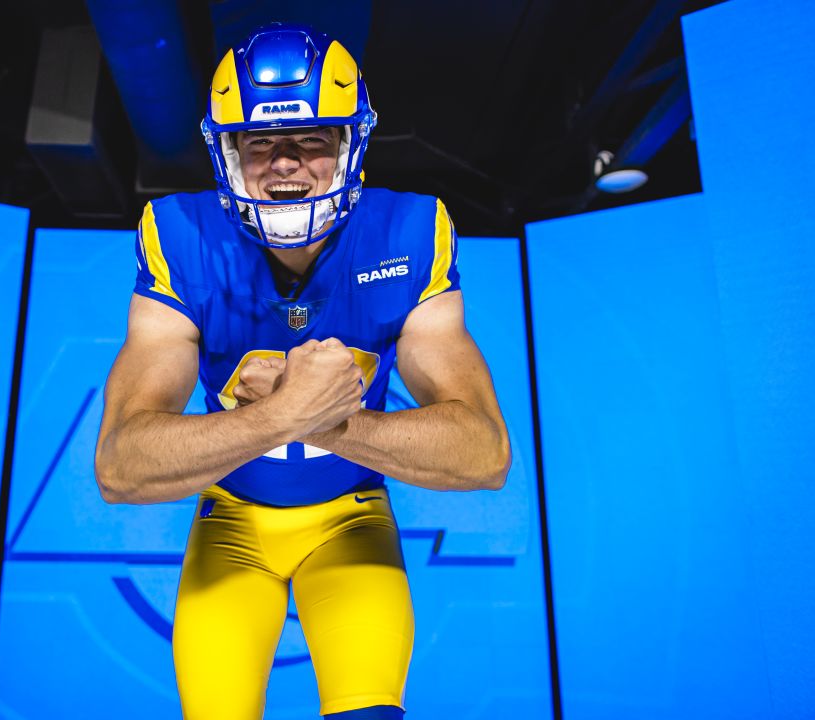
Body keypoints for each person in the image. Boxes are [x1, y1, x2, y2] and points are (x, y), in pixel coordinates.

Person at [94, 22, 511, 720]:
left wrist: (326, 419)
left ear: (352, 144)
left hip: (350, 519)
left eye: (313, 138)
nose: (285, 162)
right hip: (233, 523)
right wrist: (284, 417)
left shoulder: (410, 230)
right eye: (258, 143)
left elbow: (484, 453)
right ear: (226, 153)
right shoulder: (179, 234)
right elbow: (119, 467)